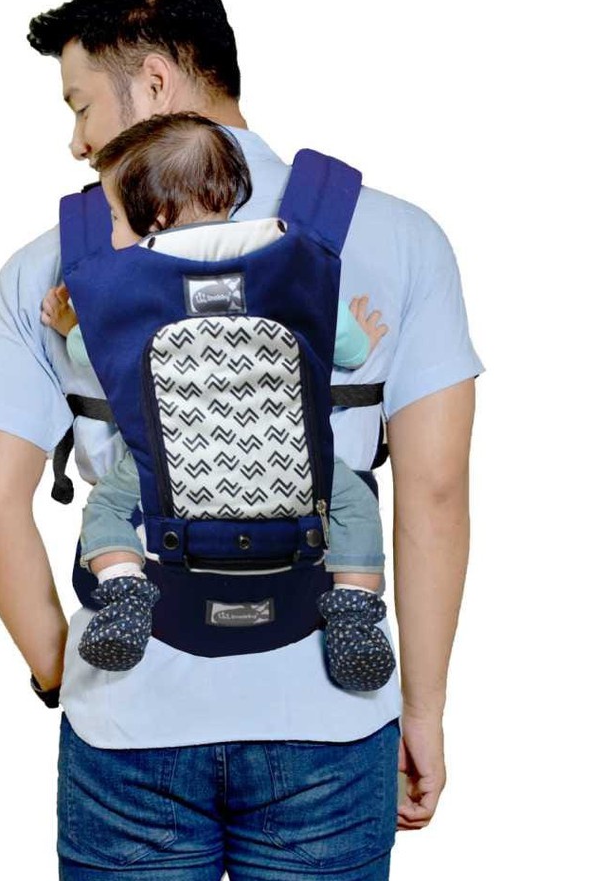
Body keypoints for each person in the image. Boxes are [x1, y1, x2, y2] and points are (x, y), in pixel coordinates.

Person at [0, 0, 483, 881]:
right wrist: (422, 711)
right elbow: (436, 491)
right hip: (331, 723)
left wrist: (65, 673)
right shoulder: (401, 239)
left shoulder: (51, 266)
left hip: (131, 727)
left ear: (155, 80)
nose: (76, 142)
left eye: (80, 104)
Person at [39, 111, 395, 693]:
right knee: (355, 508)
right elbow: (349, 351)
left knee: (105, 510)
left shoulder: (128, 286)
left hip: (166, 478)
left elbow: (88, 351)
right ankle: (354, 611)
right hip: (295, 472)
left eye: (115, 218)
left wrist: (68, 325)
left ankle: (124, 585)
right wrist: (364, 334)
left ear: (155, 217)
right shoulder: (292, 260)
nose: (113, 232)